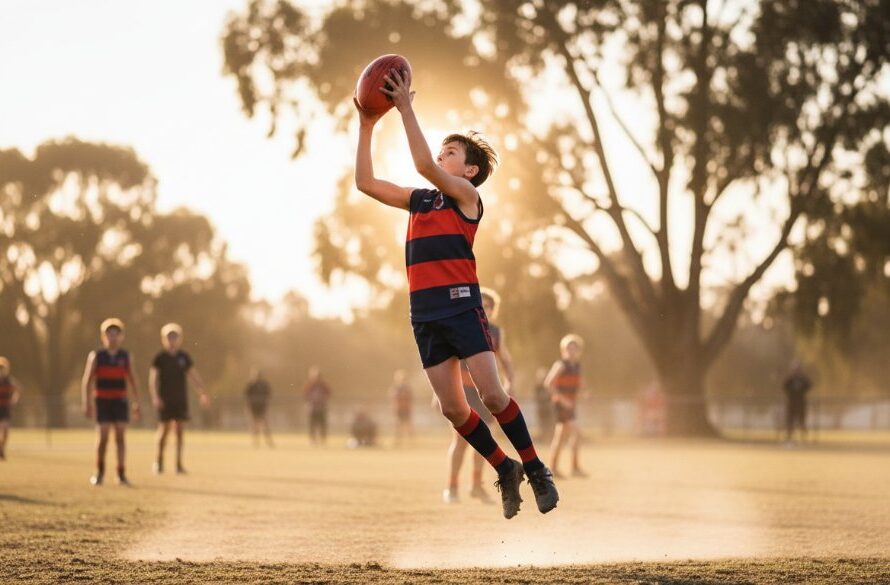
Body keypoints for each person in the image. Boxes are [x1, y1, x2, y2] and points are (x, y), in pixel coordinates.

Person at [353, 67, 558, 518]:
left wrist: (405, 108)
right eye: (443, 150)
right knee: (452, 408)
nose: (441, 156)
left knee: (494, 397)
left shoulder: (467, 198)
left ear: (468, 170)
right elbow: (365, 184)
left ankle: (535, 467)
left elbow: (423, 164)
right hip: (423, 314)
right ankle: (504, 468)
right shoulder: (419, 200)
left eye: (451, 152)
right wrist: (367, 126)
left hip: (461, 306)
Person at [443, 288, 515, 505]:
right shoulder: (460, 327)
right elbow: (446, 362)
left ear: (493, 310)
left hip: (486, 393)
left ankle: (476, 486)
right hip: (462, 392)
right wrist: (441, 392)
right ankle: (452, 487)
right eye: (480, 304)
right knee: (461, 441)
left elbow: (507, 362)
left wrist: (509, 383)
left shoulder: (496, 333)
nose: (484, 309)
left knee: (484, 441)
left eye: (488, 306)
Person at [80, 319, 141, 485]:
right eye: (109, 334)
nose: (112, 337)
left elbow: (133, 380)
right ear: (103, 336)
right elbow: (87, 380)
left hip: (120, 401)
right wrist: (87, 402)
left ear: (121, 337)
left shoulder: (126, 356)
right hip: (102, 401)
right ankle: (99, 472)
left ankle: (121, 473)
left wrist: (137, 402)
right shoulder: (97, 356)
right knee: (103, 438)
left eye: (116, 334)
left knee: (120, 438)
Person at [149, 323, 210, 474]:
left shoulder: (184, 357)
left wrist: (202, 392)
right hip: (165, 399)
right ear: (164, 339)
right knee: (164, 431)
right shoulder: (160, 358)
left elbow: (193, 376)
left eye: (175, 337)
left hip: (180, 399)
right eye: (169, 337)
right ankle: (159, 462)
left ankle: (178, 464)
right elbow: (153, 379)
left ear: (179, 339)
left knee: (180, 432)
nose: (172, 340)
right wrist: (156, 397)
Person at [546, 334, 586, 479]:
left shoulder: (577, 366)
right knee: (574, 432)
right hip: (561, 405)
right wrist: (562, 400)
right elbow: (549, 383)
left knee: (561, 436)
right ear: (563, 349)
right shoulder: (561, 365)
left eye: (574, 348)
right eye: (569, 348)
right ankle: (573, 468)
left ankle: (553, 468)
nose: (572, 350)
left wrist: (583, 392)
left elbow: (578, 384)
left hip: (571, 405)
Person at [783, 360, 812, 443]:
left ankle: (803, 438)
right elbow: (785, 387)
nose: (796, 370)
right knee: (790, 422)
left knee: (802, 421)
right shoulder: (790, 380)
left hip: (801, 404)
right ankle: (789, 438)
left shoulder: (803, 380)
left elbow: (809, 385)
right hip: (791, 404)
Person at [0, 357, 23, 461]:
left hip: (5, 409)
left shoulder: (9, 381)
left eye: (3, 369)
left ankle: (1, 448)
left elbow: (17, 390)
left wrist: (14, 398)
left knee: (5, 431)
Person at [245, 369, 274, 447]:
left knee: (265, 425)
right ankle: (256, 442)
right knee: (255, 426)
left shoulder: (264, 385)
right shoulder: (251, 384)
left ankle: (268, 442)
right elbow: (247, 396)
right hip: (254, 408)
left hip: (262, 408)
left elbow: (269, 394)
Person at [303, 366, 331, 445]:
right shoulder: (309, 385)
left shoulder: (323, 385)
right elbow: (305, 394)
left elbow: (328, 393)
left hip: (321, 407)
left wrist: (323, 401)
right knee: (312, 424)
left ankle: (323, 439)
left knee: (322, 424)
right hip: (312, 407)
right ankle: (313, 440)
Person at [390, 370, 414, 446]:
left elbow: (410, 398)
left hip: (406, 408)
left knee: (408, 425)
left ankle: (411, 441)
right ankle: (397, 441)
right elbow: (393, 398)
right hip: (399, 409)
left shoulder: (407, 388)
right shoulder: (396, 388)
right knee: (398, 425)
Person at [533, 367, 554, 442]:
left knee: (549, 424)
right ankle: (543, 439)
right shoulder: (538, 387)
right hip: (542, 410)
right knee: (543, 425)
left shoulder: (548, 387)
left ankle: (548, 439)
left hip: (547, 410)